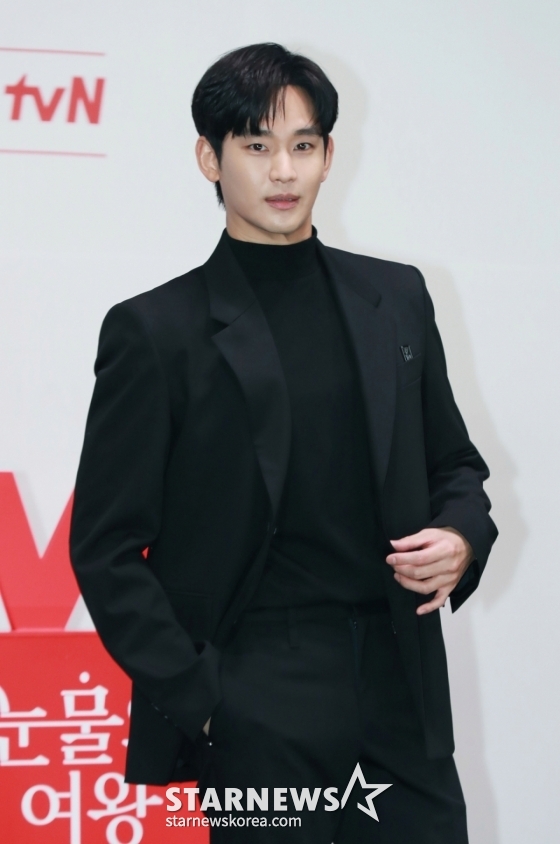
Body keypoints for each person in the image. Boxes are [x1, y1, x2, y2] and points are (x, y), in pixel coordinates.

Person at [70, 42, 498, 843]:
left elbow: (455, 465)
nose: (283, 171)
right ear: (210, 158)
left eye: (303, 146)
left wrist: (462, 535)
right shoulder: (157, 332)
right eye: (256, 145)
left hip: (398, 679)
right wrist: (204, 698)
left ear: (330, 156)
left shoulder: (396, 297)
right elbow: (104, 546)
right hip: (257, 685)